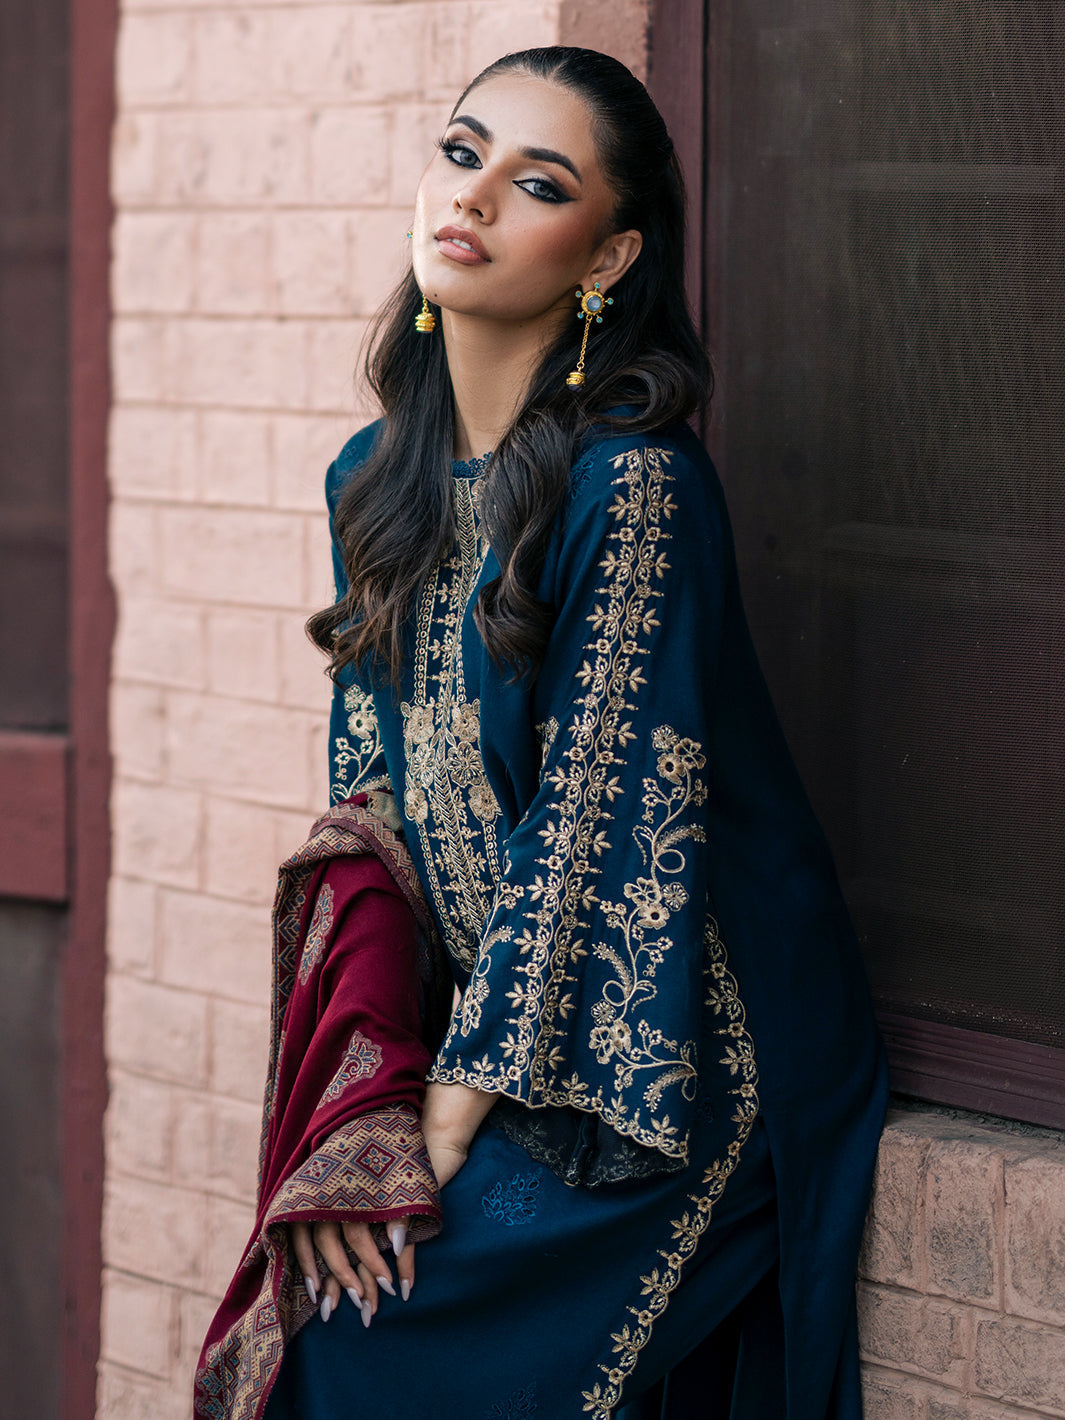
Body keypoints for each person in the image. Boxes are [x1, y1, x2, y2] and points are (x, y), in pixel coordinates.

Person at [220, 45, 887, 1420]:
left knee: (365, 1342)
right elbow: (373, 812)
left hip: (675, 1054)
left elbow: (595, 816)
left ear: (608, 257)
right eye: (461, 154)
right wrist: (368, 1108)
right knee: (318, 1312)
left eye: (537, 184)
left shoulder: (632, 487)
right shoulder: (373, 481)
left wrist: (445, 1123)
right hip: (489, 1034)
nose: (470, 198)